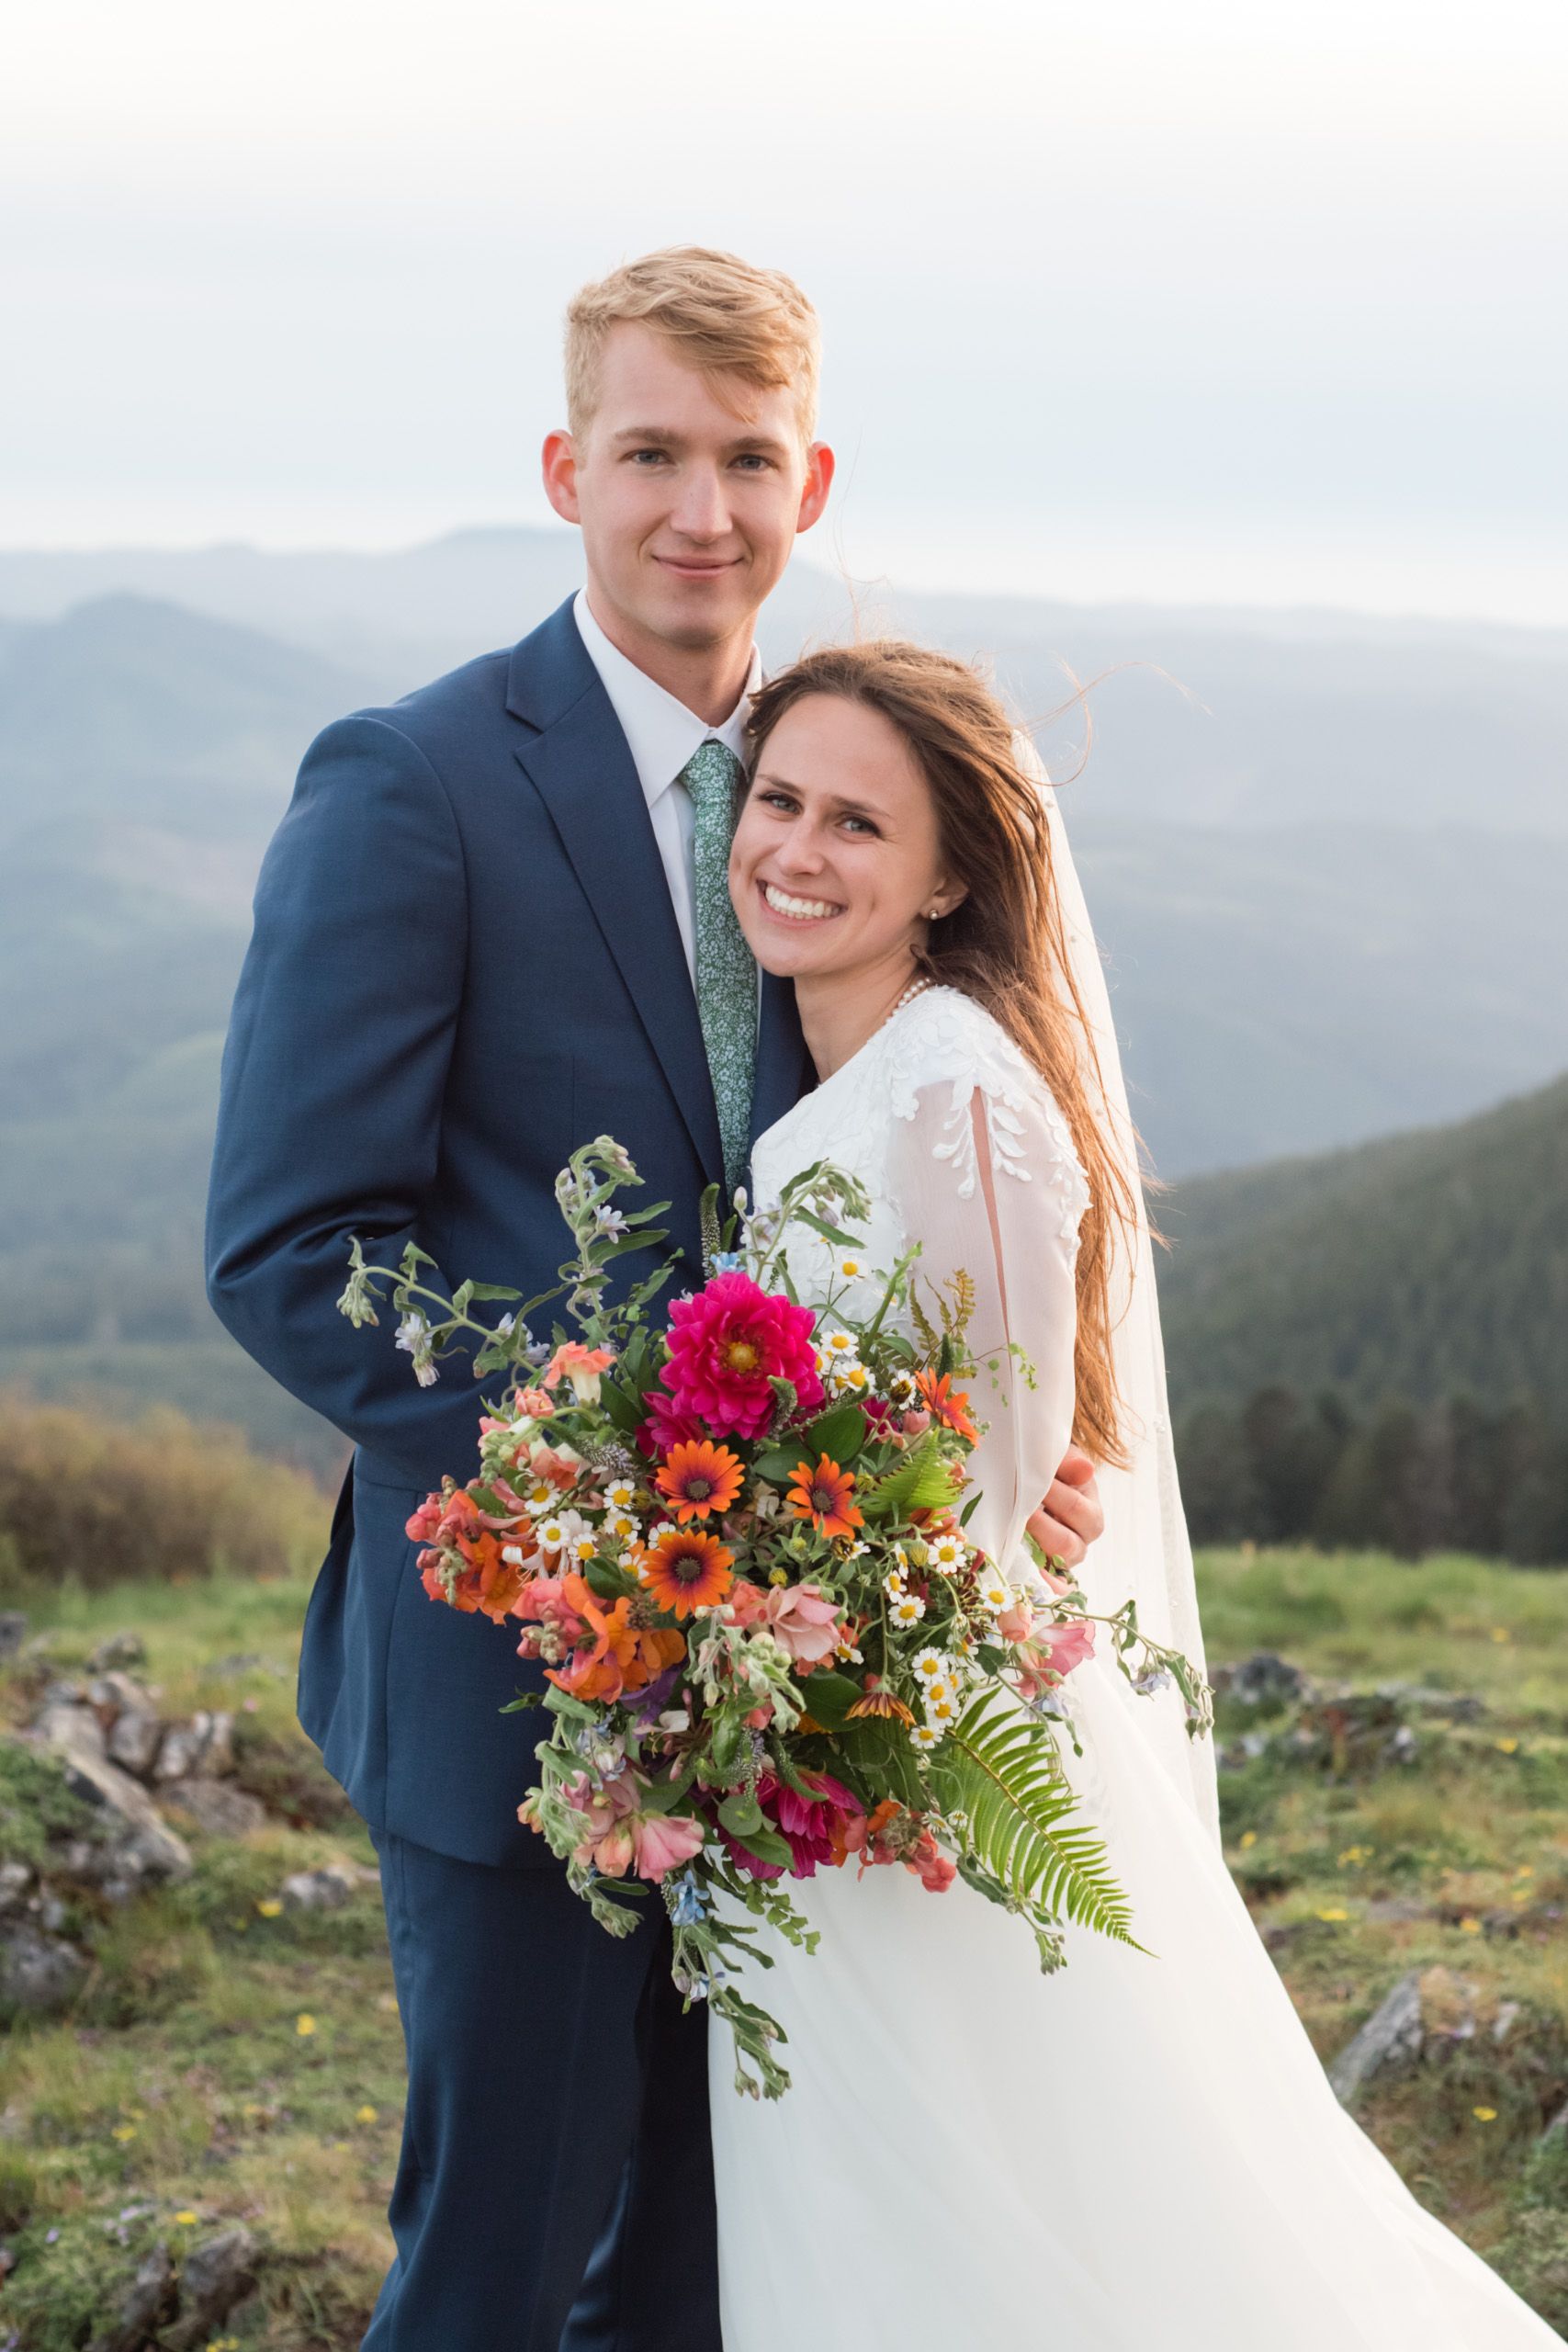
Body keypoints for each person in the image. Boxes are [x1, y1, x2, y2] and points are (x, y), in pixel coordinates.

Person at [203, 248, 1105, 2348]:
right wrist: (607, 1486)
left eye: (745, 458)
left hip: (810, 1695)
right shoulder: (412, 779)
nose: (700, 507)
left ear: (810, 481)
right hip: (514, 1673)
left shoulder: (846, 788)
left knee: (718, 2276)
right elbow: (289, 1242)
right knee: (497, 2271)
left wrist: (1016, 1449)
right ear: (562, 469)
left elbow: (959, 1157)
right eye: (649, 453)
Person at [715, 639, 1558, 2350]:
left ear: (951, 874)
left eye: (855, 823)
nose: (795, 849)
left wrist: (772, 1639)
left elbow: (989, 1495)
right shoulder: (850, 1067)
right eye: (777, 800)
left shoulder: (958, 1091)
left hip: (927, 1758)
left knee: (1045, 2203)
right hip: (817, 1734)